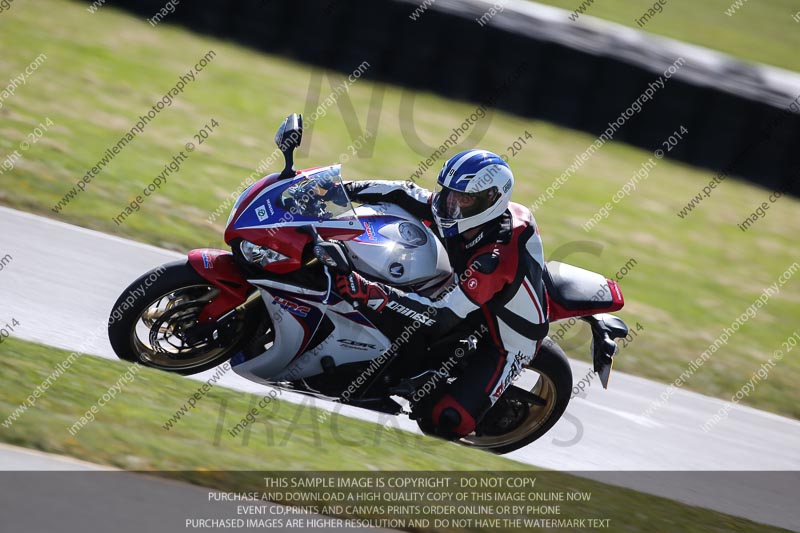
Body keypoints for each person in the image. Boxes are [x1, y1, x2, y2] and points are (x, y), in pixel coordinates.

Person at [335, 149, 548, 439]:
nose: (450, 206)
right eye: (448, 194)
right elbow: (403, 192)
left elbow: (443, 316)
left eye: (464, 199)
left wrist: (372, 292)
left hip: (505, 338)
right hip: (468, 296)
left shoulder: (495, 257)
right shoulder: (460, 213)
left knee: (444, 422)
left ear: (491, 200)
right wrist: (336, 190)